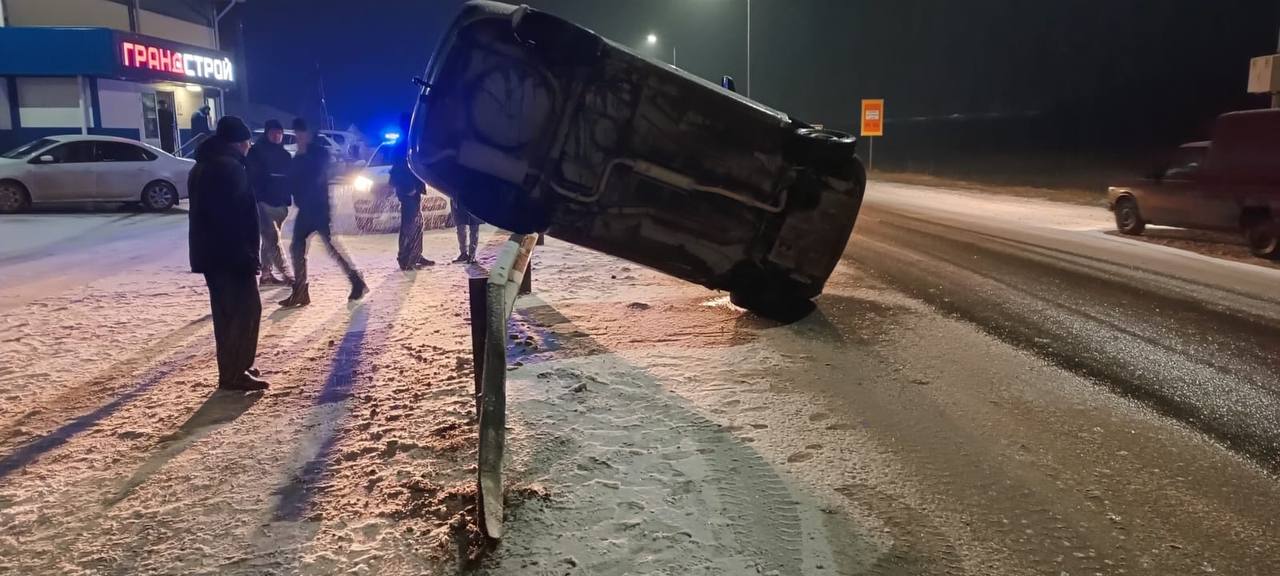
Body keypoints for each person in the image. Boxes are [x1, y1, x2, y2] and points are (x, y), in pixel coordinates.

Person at [187, 116, 269, 391]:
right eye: (247, 141)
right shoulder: (229, 169)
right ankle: (235, 373)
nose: (249, 146)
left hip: (212, 254)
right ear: (237, 142)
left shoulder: (204, 165)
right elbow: (233, 218)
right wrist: (246, 255)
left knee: (226, 314)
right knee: (244, 312)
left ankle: (235, 367)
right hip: (231, 255)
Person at [279, 117, 367, 307]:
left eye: (301, 133)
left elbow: (316, 176)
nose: (299, 137)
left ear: (309, 134)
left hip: (318, 209)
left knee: (330, 247)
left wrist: (302, 157)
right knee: (297, 248)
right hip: (305, 209)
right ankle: (301, 290)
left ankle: (356, 281)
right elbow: (293, 180)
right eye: (297, 134)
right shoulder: (300, 156)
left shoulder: (319, 153)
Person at [245, 119, 293, 285]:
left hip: (280, 203)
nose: (277, 136)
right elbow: (254, 176)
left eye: (279, 133)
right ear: (267, 133)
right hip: (263, 202)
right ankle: (287, 274)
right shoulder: (256, 152)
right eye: (273, 132)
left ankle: (266, 273)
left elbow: (291, 177)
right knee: (272, 239)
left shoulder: (285, 155)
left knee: (269, 240)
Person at [390, 114, 435, 270]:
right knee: (409, 225)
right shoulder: (401, 145)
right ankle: (404, 258)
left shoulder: (410, 141)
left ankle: (416, 255)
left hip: (414, 189)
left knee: (417, 223)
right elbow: (398, 169)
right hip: (407, 190)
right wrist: (407, 188)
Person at [451, 199, 481, 264]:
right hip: (458, 199)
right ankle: (464, 253)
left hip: (474, 197)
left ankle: (472, 255)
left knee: (474, 227)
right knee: (460, 227)